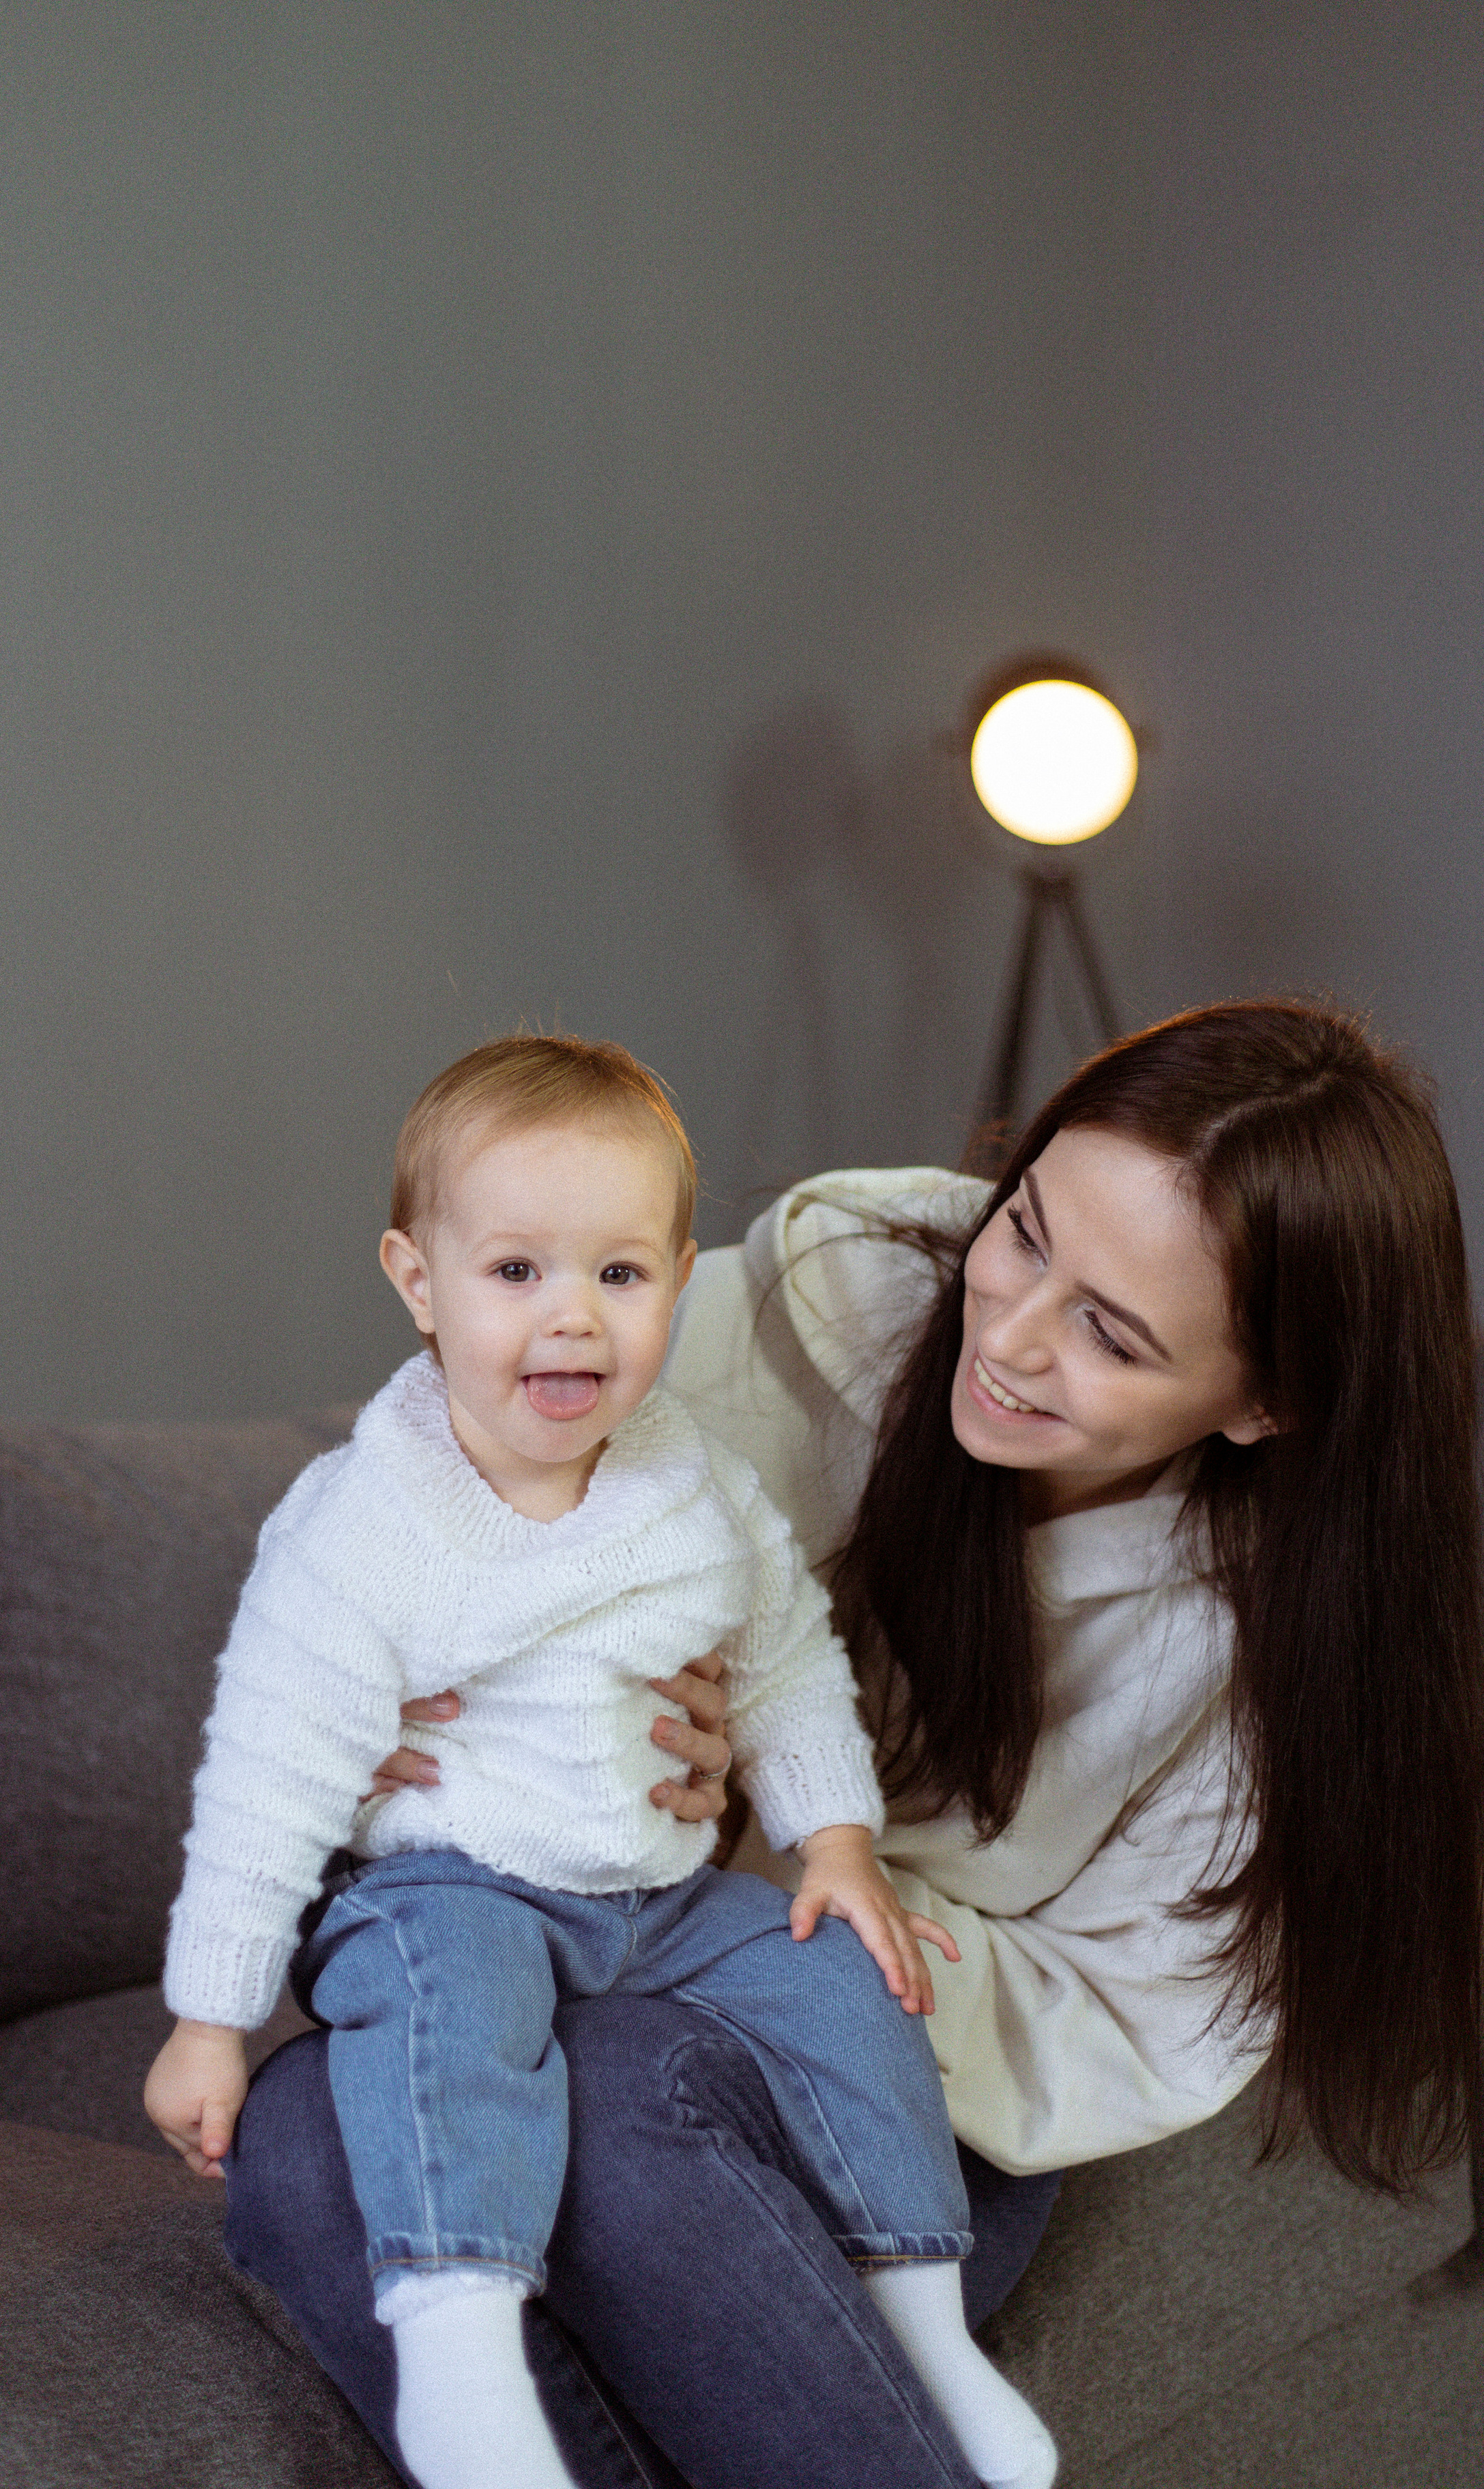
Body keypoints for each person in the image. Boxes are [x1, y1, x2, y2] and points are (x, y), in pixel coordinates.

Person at [222, 999, 1484, 2489]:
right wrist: (382, 1719)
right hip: (542, 1938)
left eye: (1110, 1335)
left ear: (1265, 1402)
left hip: (907, 2097)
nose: (1002, 1337)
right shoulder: (829, 1306)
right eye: (1024, 1235)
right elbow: (453, 1479)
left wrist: (754, 1841)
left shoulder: (1280, 1650)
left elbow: (1111, 2015)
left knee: (622, 2100)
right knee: (304, 2133)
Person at [146, 1035, 1056, 2489]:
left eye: (617, 1277)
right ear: (415, 1281)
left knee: (843, 1970)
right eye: (514, 1272)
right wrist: (209, 2016)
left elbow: (781, 1662)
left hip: (657, 1902)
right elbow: (266, 1781)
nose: (570, 1319)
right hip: (455, 1885)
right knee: (452, 2013)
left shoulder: (687, 1477)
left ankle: (924, 2331)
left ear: (677, 1284)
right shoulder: (363, 1524)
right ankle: (458, 2350)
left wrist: (830, 1844)